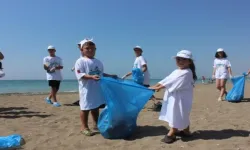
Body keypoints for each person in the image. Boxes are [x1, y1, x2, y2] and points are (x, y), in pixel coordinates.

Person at [149, 50, 197, 144]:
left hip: (181, 98)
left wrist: (158, 87)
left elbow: (174, 83)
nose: (180, 61)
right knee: (181, 113)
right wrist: (156, 85)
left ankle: (171, 134)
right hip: (174, 96)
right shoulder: (176, 71)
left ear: (189, 61)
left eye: (183, 59)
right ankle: (186, 131)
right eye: (178, 59)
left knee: (177, 113)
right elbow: (167, 79)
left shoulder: (187, 72)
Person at [74, 38, 117, 136]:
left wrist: (110, 76)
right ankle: (84, 127)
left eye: (92, 48)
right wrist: (91, 77)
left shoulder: (98, 62)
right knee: (85, 108)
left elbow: (101, 74)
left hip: (97, 89)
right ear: (82, 50)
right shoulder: (80, 61)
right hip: (86, 89)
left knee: (95, 107)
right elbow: (80, 74)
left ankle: (96, 124)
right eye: (87, 48)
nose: (90, 50)